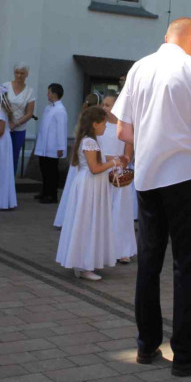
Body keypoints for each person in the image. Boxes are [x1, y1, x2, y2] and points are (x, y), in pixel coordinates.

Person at [112, 17, 191, 377]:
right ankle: (185, 353)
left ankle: (146, 344)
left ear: (165, 36)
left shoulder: (140, 67)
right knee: (186, 265)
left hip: (147, 179)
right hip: (185, 176)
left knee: (149, 263)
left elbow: (123, 129)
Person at [56, 106, 126, 280]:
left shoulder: (91, 141)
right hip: (90, 186)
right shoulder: (89, 142)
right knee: (87, 222)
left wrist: (114, 160)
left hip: (90, 185)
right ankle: (84, 264)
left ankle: (83, 261)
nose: (105, 127)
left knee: (87, 222)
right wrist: (113, 164)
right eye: (103, 123)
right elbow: (95, 168)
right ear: (95, 124)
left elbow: (98, 159)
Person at [98, 94, 137, 263]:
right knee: (102, 212)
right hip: (101, 173)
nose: (105, 108)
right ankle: (101, 248)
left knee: (121, 212)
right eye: (104, 105)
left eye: (108, 105)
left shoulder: (125, 126)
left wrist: (122, 162)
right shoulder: (99, 126)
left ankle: (122, 250)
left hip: (119, 175)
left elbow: (129, 152)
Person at [54, 93, 101, 228]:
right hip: (86, 164)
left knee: (71, 191)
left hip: (79, 164)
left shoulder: (83, 118)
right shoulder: (91, 122)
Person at [34, 84, 68, 204]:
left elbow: (61, 129)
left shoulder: (60, 110)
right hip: (44, 145)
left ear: (54, 94)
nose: (47, 94)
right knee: (44, 169)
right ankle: (45, 191)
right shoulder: (48, 108)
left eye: (49, 92)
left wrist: (61, 147)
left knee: (51, 171)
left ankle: (52, 194)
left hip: (53, 146)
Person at [3, 64, 36, 175]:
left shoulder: (29, 91)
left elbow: (29, 113)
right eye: (17, 72)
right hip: (4, 126)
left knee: (14, 156)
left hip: (19, 129)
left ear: (26, 74)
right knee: (2, 155)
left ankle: (10, 185)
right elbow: (0, 105)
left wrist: (15, 123)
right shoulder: (5, 86)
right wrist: (8, 122)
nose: (19, 75)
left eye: (22, 73)